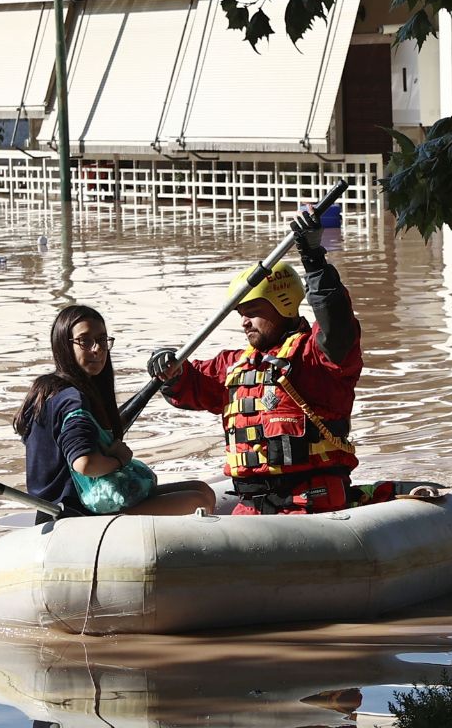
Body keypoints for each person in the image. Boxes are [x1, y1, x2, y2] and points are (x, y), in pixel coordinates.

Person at [148, 207, 362, 514]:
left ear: (284, 306)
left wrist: (313, 258)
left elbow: (338, 325)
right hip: (250, 508)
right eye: (241, 314)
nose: (244, 323)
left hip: (309, 504)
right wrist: (166, 368)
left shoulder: (316, 356)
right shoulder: (233, 366)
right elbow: (189, 386)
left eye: (253, 312)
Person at [14, 304, 216, 522]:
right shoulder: (72, 399)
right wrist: (120, 459)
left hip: (60, 508)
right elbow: (85, 464)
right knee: (199, 501)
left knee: (202, 489)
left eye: (102, 340)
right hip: (77, 516)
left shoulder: (45, 391)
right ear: (65, 346)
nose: (97, 349)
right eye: (85, 341)